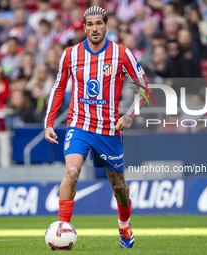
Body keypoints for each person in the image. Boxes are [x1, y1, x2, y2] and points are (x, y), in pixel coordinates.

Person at [44, 6, 149, 249]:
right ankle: (62, 230)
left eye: (98, 24)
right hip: (79, 124)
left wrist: (131, 114)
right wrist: (49, 123)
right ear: (84, 27)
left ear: (106, 25)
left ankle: (124, 225)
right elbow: (59, 87)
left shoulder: (121, 53)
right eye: (89, 24)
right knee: (71, 172)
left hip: (109, 130)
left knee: (119, 186)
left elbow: (143, 86)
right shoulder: (70, 54)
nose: (94, 28)